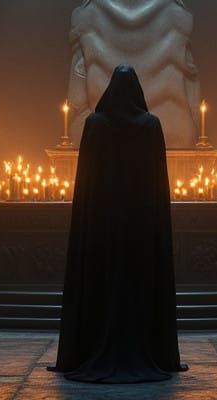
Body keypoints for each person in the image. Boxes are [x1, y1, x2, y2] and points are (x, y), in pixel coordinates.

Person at [49, 64, 187, 383]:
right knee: (139, 286)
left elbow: (86, 185)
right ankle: (148, 350)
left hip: (101, 229)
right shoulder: (151, 126)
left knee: (100, 284)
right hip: (140, 229)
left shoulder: (95, 125)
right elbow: (156, 186)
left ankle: (90, 349)